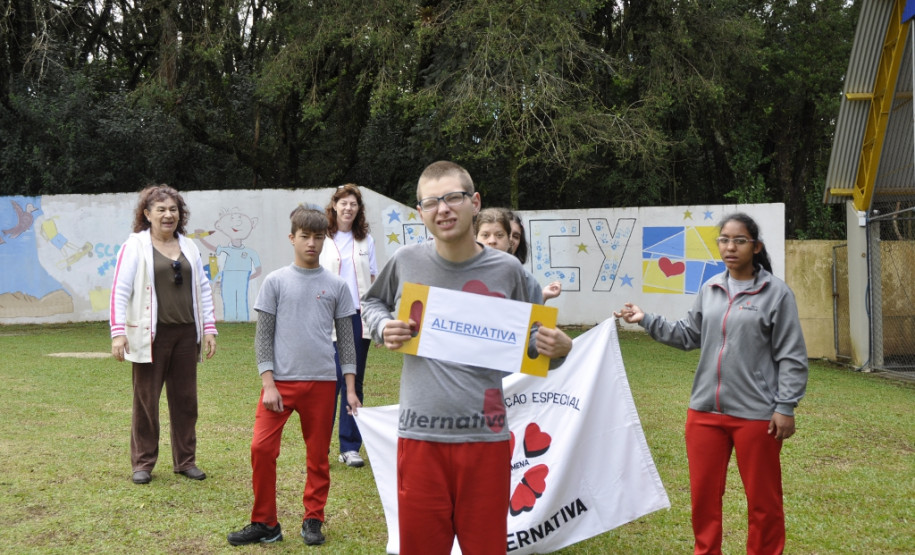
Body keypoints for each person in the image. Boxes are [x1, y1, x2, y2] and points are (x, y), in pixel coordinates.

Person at [361, 161, 573, 555]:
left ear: (474, 203)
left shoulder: (509, 271)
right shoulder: (406, 261)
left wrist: (561, 350)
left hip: (485, 440)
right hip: (420, 436)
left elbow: (538, 342)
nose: (443, 209)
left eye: (453, 198)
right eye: (430, 202)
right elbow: (371, 301)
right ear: (421, 211)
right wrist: (382, 325)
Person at [614, 212, 808, 555]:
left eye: (739, 240)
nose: (730, 247)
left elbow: (791, 355)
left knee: (763, 502)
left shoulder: (776, 293)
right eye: (724, 240)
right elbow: (689, 334)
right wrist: (646, 319)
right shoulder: (711, 287)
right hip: (704, 413)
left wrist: (785, 406)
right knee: (703, 500)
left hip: (756, 416)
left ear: (756, 246)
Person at [227, 207, 360, 547]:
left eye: (318, 237)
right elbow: (263, 337)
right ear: (292, 238)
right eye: (305, 236)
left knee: (317, 456)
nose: (312, 243)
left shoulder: (337, 285)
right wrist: (267, 382)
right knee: (261, 449)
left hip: (322, 383)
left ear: (325, 239)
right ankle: (265, 522)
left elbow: (346, 341)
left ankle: (313, 519)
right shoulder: (274, 281)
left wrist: (350, 388)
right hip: (280, 384)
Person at [109, 184, 217, 485]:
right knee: (146, 401)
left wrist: (209, 329)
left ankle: (186, 461)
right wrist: (119, 334)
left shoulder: (190, 246)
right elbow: (120, 290)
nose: (168, 215)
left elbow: (204, 290)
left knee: (185, 401)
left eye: (173, 209)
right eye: (161, 210)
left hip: (186, 334)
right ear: (147, 214)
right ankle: (143, 463)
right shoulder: (135, 246)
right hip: (150, 336)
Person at [319, 184, 377, 468]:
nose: (348, 208)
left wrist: (378, 319)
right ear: (335, 206)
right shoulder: (323, 236)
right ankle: (319, 446)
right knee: (331, 381)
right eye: (344, 203)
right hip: (327, 316)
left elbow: (374, 279)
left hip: (358, 316)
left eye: (353, 204)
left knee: (355, 380)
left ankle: (350, 446)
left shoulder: (365, 239)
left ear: (358, 209)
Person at [475, 207, 561, 302]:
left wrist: (541, 297)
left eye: (499, 235)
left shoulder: (528, 281)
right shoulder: (462, 271)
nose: (492, 241)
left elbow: (536, 316)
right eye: (485, 235)